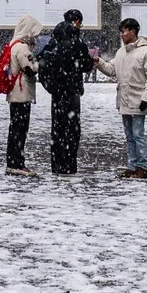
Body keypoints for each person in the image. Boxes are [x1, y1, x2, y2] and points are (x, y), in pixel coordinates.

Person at [95, 15, 147, 178]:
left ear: (133, 31)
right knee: (129, 135)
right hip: (124, 100)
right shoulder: (121, 52)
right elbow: (112, 70)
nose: (122, 35)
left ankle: (142, 167)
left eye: (124, 32)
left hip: (139, 100)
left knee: (137, 135)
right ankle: (132, 166)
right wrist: (99, 63)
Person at [38, 9, 93, 176]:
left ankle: (57, 165)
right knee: (72, 129)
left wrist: (52, 87)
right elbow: (85, 65)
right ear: (76, 21)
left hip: (57, 93)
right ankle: (69, 165)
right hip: (72, 91)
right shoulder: (77, 41)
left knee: (57, 128)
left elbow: (43, 63)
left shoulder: (53, 41)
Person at [0, 14, 43, 176]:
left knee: (14, 128)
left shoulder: (13, 44)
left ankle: (12, 161)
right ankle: (17, 162)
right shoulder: (22, 48)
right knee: (20, 130)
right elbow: (29, 69)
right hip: (22, 93)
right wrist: (38, 64)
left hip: (14, 93)